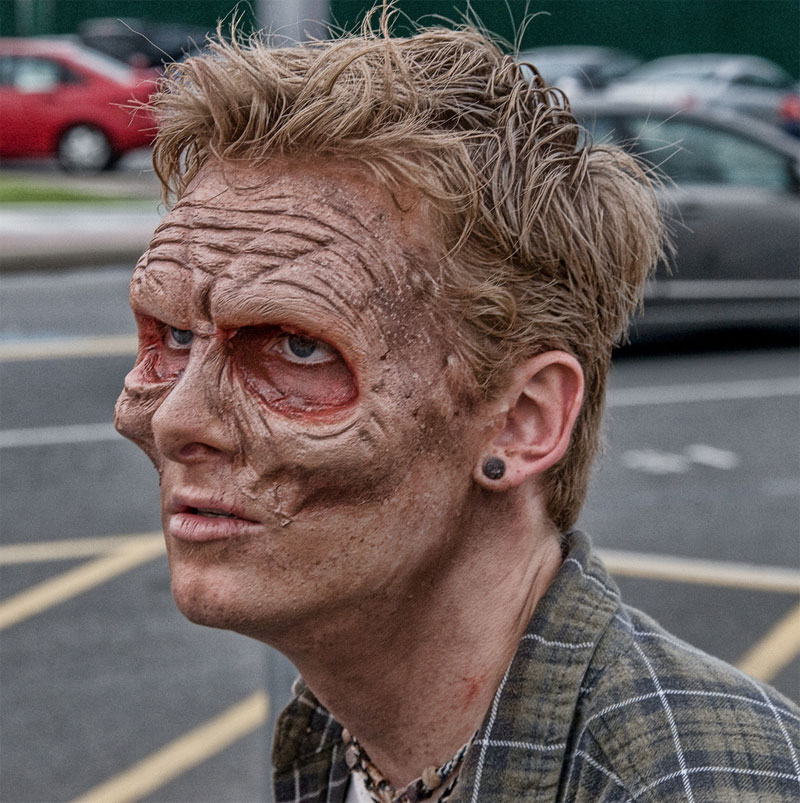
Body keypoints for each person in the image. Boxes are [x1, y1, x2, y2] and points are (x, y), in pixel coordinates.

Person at [114, 9, 800, 803]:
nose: (174, 420)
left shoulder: (693, 785)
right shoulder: (340, 738)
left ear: (524, 418)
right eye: (168, 332)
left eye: (298, 346)